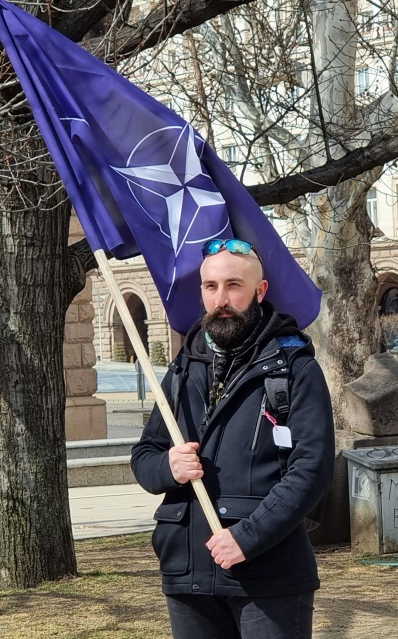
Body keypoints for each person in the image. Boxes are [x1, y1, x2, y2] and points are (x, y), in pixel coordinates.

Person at [131, 237, 335, 639]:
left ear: (259, 291)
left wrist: (247, 537)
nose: (221, 298)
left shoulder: (294, 369)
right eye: (211, 287)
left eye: (233, 285)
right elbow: (145, 455)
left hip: (267, 574)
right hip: (187, 572)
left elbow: (312, 470)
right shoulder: (183, 368)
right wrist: (168, 467)